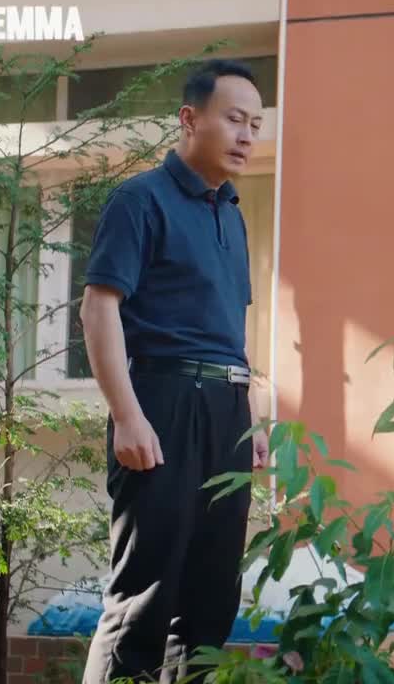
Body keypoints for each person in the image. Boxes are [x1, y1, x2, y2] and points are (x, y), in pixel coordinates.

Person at [79, 59, 271, 683]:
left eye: (256, 125)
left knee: (212, 598)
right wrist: (127, 416)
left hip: (227, 412)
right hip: (163, 404)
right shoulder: (140, 200)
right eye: (234, 119)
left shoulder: (232, 214)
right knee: (145, 594)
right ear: (190, 119)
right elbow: (99, 307)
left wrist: (251, 419)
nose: (246, 136)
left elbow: (229, 327)